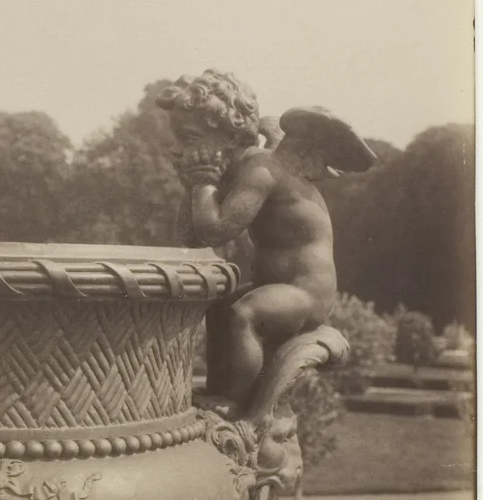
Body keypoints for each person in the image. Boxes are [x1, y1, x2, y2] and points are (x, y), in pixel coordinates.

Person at [158, 69, 373, 411]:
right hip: (276, 284)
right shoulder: (238, 171)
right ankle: (218, 390)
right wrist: (194, 185)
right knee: (218, 307)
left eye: (189, 138)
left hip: (306, 292)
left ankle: (237, 401)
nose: (180, 149)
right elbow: (192, 236)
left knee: (244, 313)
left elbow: (216, 230)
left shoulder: (260, 170)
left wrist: (201, 184)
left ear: (228, 136)